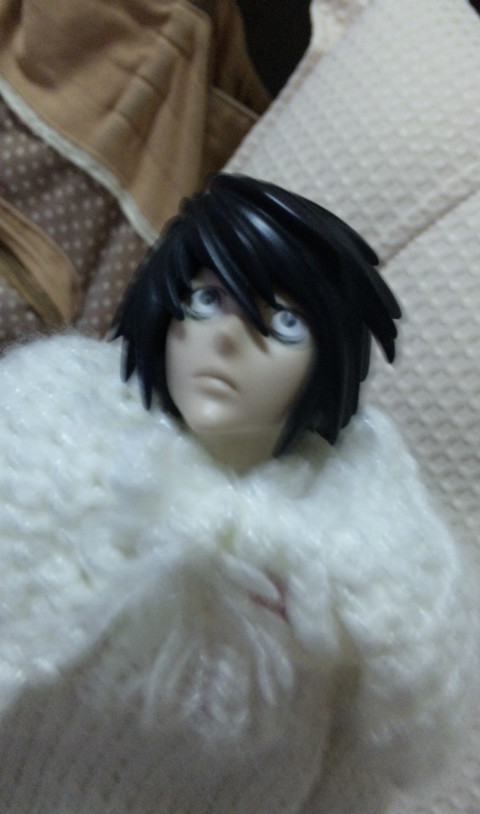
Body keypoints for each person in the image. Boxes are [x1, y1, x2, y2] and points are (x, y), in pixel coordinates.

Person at [0, 174, 475, 813]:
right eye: (207, 298)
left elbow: (367, 773)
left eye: (283, 322)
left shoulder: (367, 581)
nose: (228, 337)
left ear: (327, 359)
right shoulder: (36, 422)